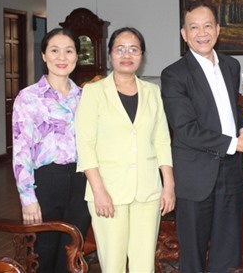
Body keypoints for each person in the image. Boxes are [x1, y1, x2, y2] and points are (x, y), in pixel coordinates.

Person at [160, 2, 243, 273]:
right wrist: (236, 143)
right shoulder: (174, 74)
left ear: (218, 30)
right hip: (196, 177)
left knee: (227, 252)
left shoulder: (231, 66)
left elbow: (231, 111)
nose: (202, 33)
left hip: (230, 174)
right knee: (194, 257)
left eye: (208, 25)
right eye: (193, 27)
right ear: (184, 34)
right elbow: (185, 129)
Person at [75, 27, 175, 273]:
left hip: (148, 191)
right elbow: (85, 145)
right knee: (113, 264)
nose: (126, 55)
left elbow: (162, 139)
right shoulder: (93, 92)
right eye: (120, 49)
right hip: (108, 191)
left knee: (144, 264)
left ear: (142, 55)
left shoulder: (152, 92)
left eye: (133, 49)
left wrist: (169, 186)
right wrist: (99, 191)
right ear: (110, 54)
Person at [12, 28, 91, 273]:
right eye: (54, 50)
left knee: (72, 254)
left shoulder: (85, 97)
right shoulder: (28, 98)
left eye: (69, 51)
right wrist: (28, 199)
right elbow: (21, 150)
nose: (62, 57)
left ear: (76, 57)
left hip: (80, 182)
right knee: (42, 255)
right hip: (45, 182)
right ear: (44, 56)